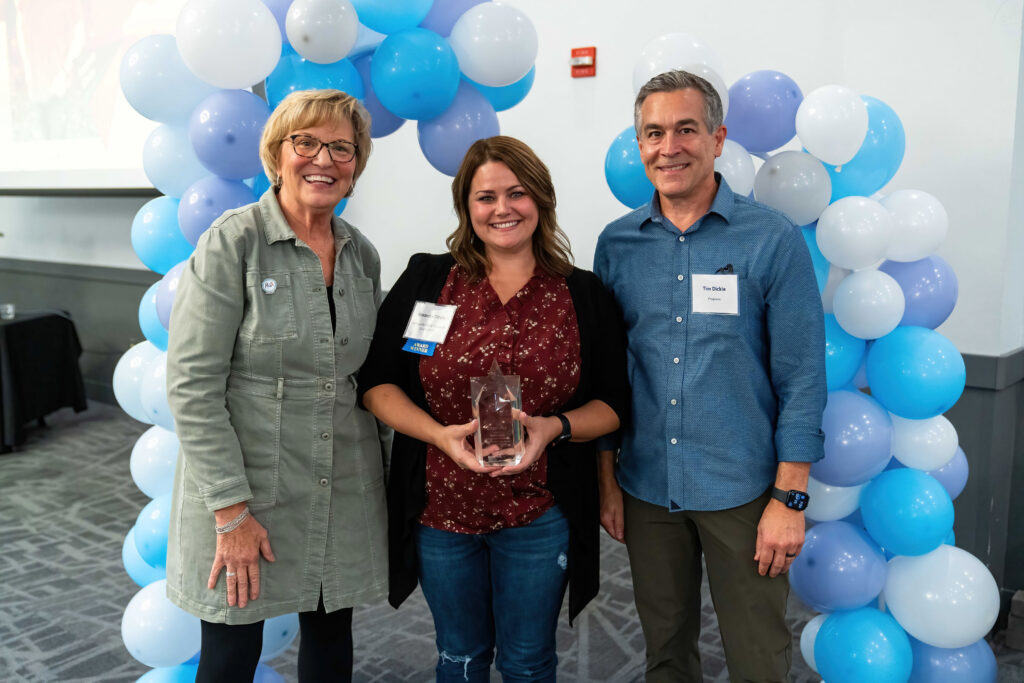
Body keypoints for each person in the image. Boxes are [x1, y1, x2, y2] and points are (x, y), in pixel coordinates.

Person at [357, 136, 628, 682]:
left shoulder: (583, 295)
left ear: (542, 201)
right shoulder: (427, 282)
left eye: (517, 193)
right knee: (459, 657)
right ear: (466, 207)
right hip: (442, 511)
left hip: (540, 512)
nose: (502, 209)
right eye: (485, 197)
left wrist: (554, 427)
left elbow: (615, 404)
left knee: (528, 661)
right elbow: (377, 383)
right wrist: (437, 435)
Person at [594, 70, 827, 681]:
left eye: (685, 129)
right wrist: (607, 480)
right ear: (639, 144)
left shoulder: (770, 239)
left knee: (758, 658)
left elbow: (802, 377)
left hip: (744, 491)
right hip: (647, 487)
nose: (668, 147)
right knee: (665, 653)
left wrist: (789, 497)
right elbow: (609, 375)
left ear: (718, 138)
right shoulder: (616, 246)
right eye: (653, 133)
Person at [165, 89, 387, 683]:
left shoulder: (361, 256)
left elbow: (369, 375)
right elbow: (191, 384)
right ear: (277, 153)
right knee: (231, 659)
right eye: (306, 142)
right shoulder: (232, 242)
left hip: (336, 483)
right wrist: (232, 513)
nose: (323, 159)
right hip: (248, 491)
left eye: (342, 148)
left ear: (356, 167)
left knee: (331, 646)